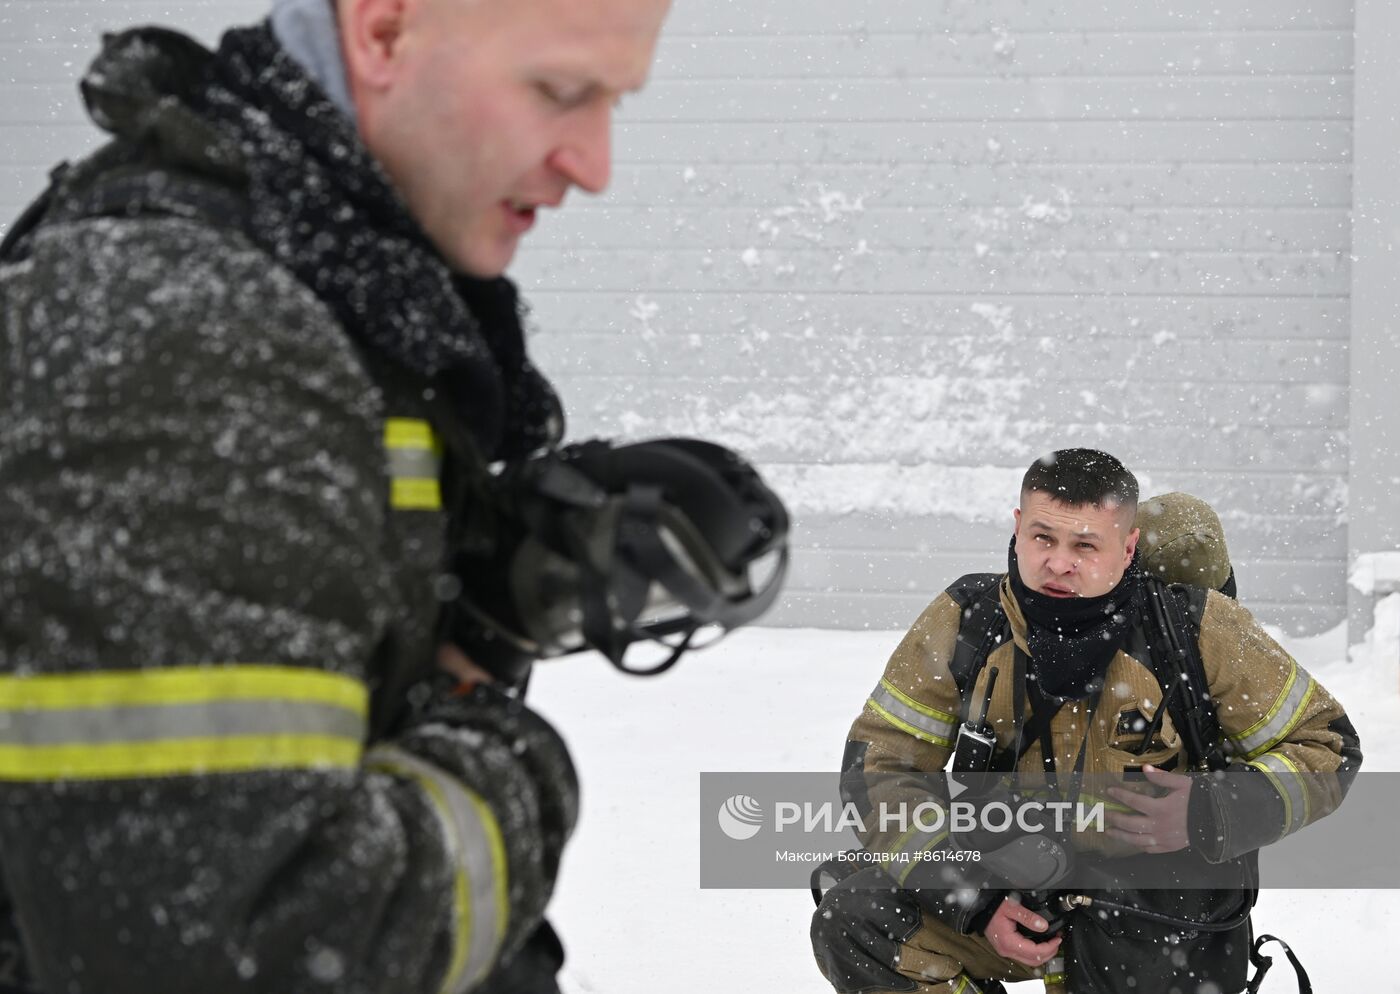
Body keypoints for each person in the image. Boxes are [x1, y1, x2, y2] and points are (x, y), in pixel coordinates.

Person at [0, 0, 670, 990]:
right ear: (384, 30)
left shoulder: (323, 297)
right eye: (559, 93)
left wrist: (480, 590)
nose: (594, 164)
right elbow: (237, 947)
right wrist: (507, 757)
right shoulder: (192, 331)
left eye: (613, 103)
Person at [810, 449, 1361, 994]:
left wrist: (1210, 809)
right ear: (1018, 526)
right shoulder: (968, 620)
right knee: (858, 919)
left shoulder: (1198, 627)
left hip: (1153, 915)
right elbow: (881, 765)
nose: (1059, 563)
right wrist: (970, 897)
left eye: (1085, 545)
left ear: (1128, 549)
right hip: (1011, 884)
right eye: (1044, 537)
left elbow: (1328, 747)